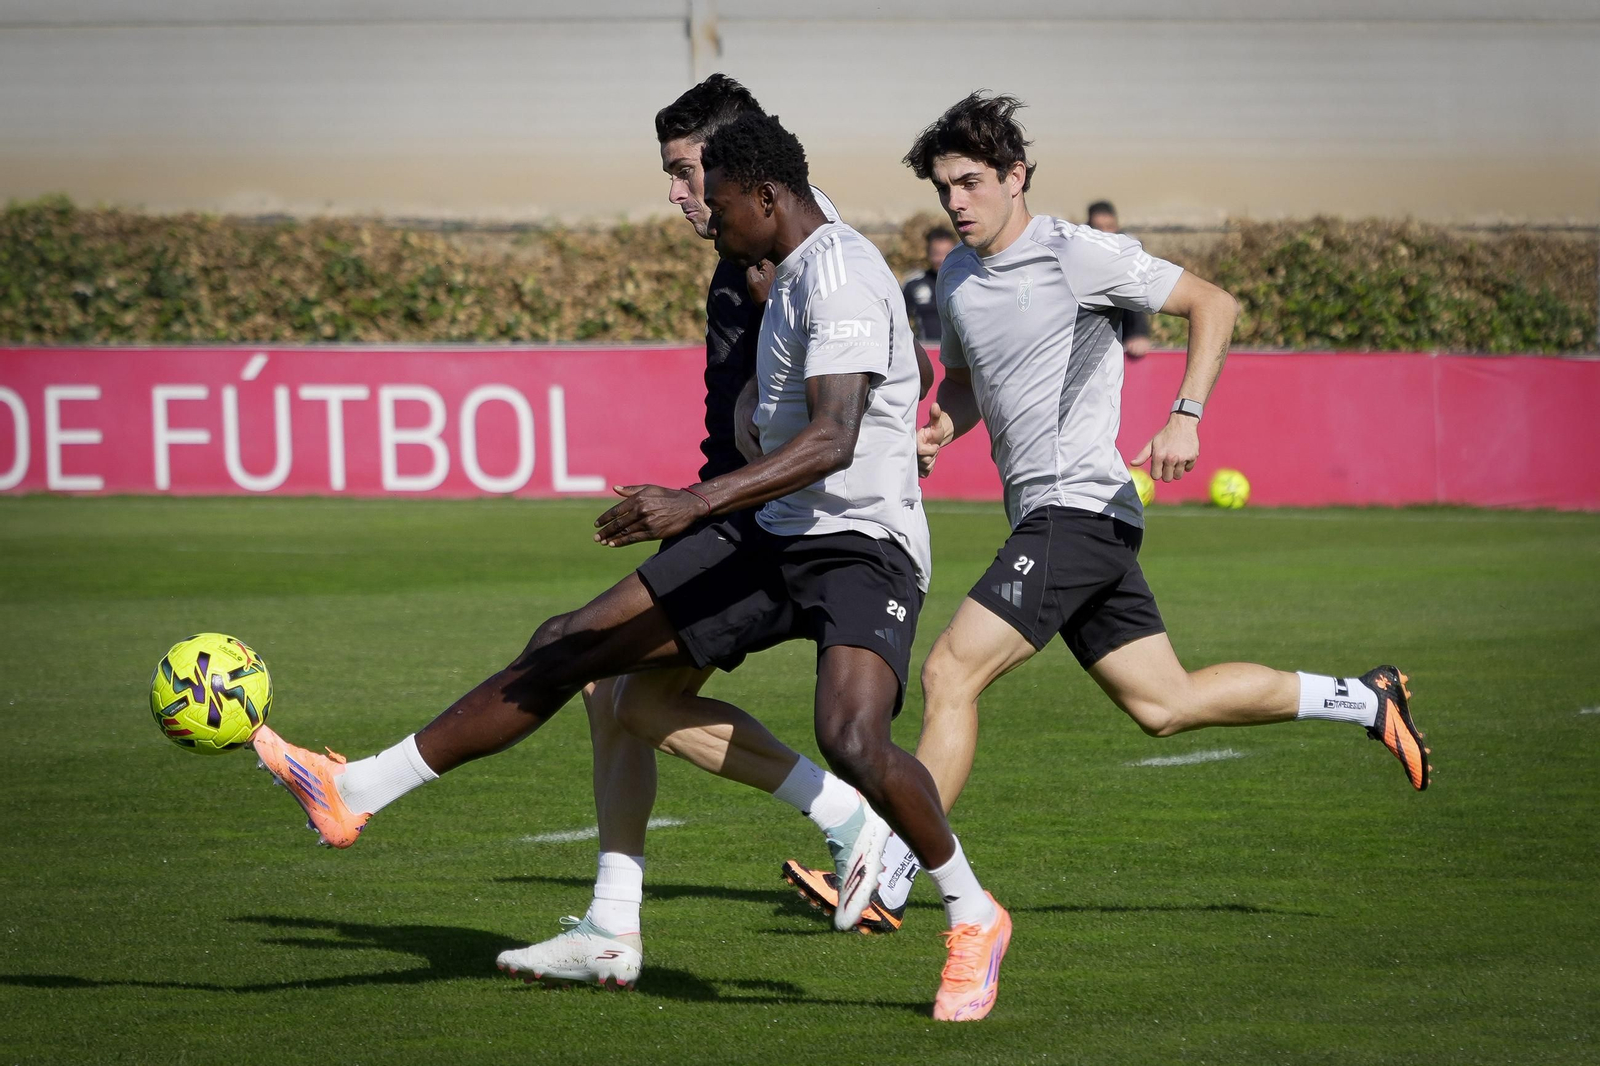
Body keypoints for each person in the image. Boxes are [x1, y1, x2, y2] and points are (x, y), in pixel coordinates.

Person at [251, 110, 1012, 1022]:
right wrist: (705, 503)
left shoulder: (840, 273)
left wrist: (694, 502)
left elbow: (833, 440)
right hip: (769, 527)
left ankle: (973, 915)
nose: (705, 215)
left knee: (851, 737)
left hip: (863, 544)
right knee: (574, 647)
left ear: (765, 197)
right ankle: (356, 791)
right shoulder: (775, 262)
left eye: (715, 197)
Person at [894, 90, 1428, 835]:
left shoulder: (1076, 253)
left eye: (970, 182)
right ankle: (1367, 700)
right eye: (945, 187)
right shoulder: (956, 280)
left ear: (1016, 176)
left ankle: (882, 873)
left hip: (1075, 510)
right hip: (1073, 520)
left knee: (950, 673)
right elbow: (961, 381)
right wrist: (939, 427)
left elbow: (1215, 303)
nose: (956, 201)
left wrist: (1185, 415)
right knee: (1164, 704)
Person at [1086, 200, 1152, 359]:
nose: (1106, 234)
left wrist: (1138, 334)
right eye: (1099, 229)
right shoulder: (1078, 251)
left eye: (1109, 227)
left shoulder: (1129, 249)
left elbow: (1135, 293)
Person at [902, 226, 958, 343]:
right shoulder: (914, 284)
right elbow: (899, 321)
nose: (941, 260)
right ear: (927, 253)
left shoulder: (965, 283)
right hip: (928, 352)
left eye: (946, 254)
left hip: (961, 357)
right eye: (936, 254)